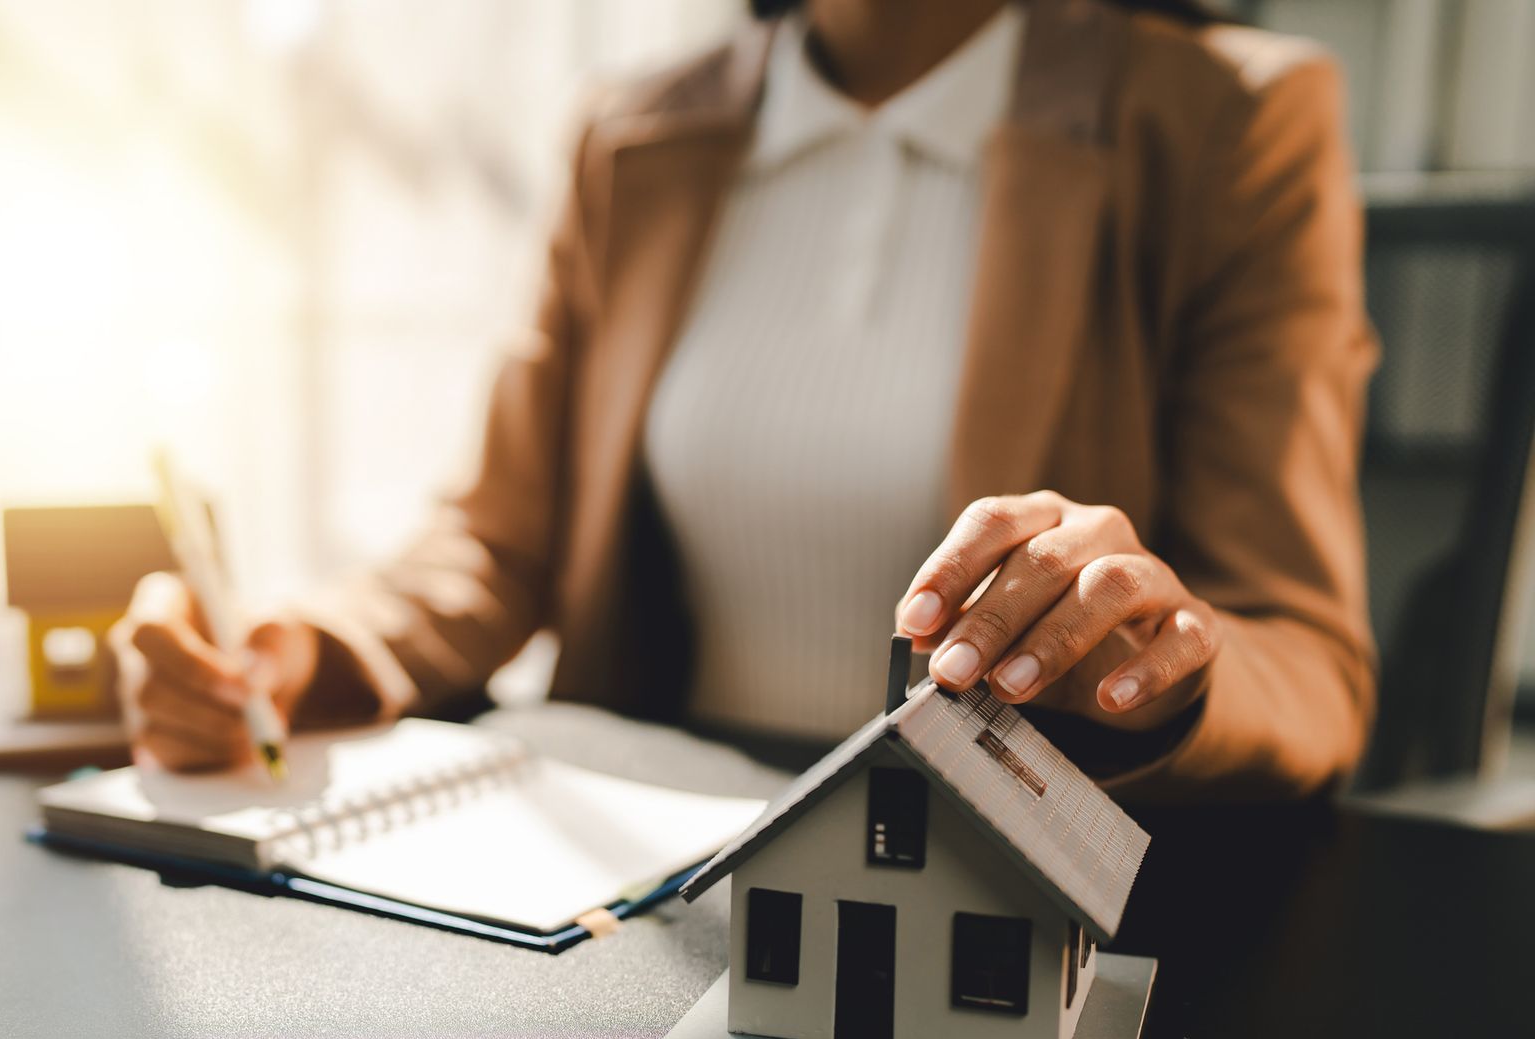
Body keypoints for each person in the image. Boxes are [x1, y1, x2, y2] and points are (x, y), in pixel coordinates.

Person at [113, 0, 1376, 801]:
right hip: (655, 886)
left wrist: (1153, 660)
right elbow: (497, 542)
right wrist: (297, 651)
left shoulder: (1229, 123)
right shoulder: (633, 137)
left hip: (1037, 912)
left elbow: (1308, 660)